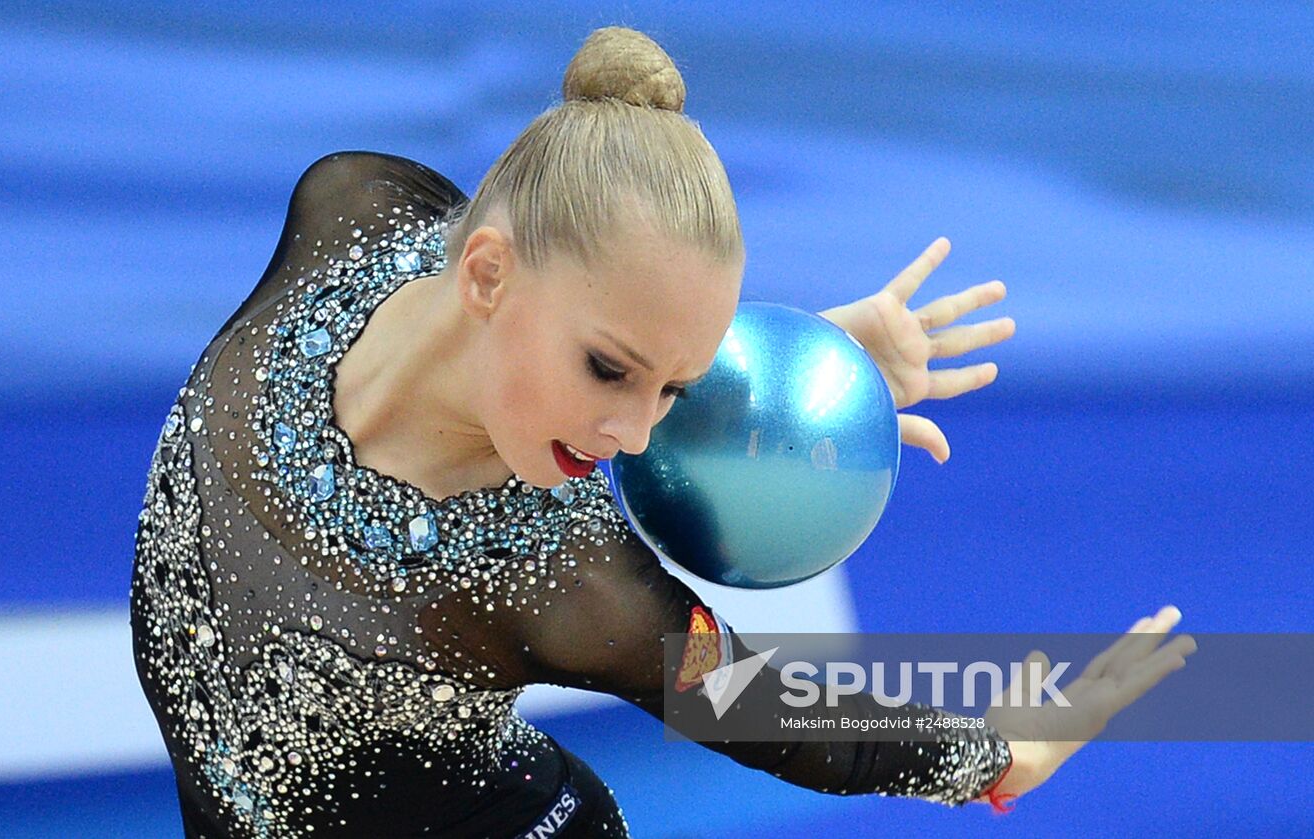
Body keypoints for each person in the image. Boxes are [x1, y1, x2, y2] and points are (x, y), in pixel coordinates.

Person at [131, 26, 1193, 838]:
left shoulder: (566, 578)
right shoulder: (349, 202)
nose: (636, 438)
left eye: (675, 388)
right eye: (612, 368)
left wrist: (998, 752)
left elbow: (761, 706)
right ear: (486, 272)